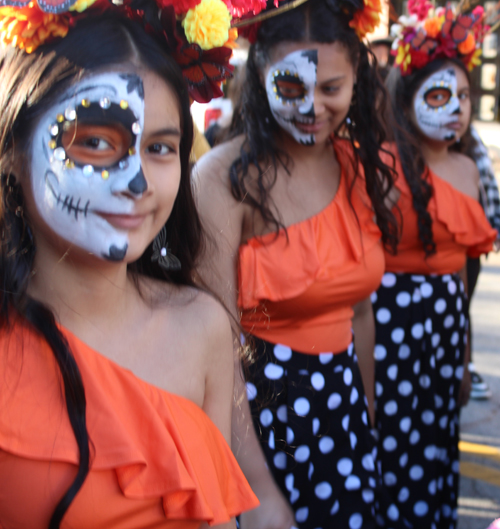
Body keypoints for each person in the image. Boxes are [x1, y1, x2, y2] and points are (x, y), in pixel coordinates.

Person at [0, 0, 260, 527]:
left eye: (160, 148)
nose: (138, 183)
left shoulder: (202, 323)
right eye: (95, 143)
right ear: (14, 153)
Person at [194, 0, 400, 527]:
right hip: (257, 423)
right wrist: (258, 489)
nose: (312, 106)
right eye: (290, 86)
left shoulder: (360, 168)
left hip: (344, 416)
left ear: (356, 78)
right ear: (260, 72)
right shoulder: (224, 178)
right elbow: (212, 348)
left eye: (331, 88)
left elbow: (360, 314)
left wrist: (365, 417)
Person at [373, 4, 498, 528]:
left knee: (438, 435)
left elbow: (466, 278)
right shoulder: (379, 161)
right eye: (440, 96)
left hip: (446, 328)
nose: (457, 110)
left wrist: (466, 350)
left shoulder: (471, 168)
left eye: (464, 97)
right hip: (387, 326)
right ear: (407, 98)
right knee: (390, 440)